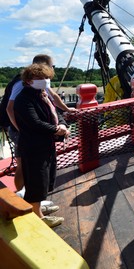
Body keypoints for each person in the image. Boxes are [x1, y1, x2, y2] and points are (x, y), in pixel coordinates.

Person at [6, 54, 75, 204]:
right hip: (23, 131)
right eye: (52, 67)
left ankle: (36, 200)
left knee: (40, 170)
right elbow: (10, 108)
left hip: (40, 135)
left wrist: (65, 111)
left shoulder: (41, 86)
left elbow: (53, 99)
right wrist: (20, 129)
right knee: (25, 165)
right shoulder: (21, 86)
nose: (51, 73)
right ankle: (23, 199)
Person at [13, 63, 70, 228]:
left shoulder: (41, 94)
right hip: (33, 147)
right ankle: (37, 216)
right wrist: (57, 130)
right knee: (36, 180)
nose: (46, 81)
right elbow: (34, 123)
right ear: (29, 80)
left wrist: (63, 124)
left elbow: (55, 112)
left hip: (45, 144)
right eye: (41, 78)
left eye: (47, 78)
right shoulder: (24, 99)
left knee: (45, 177)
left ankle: (37, 208)